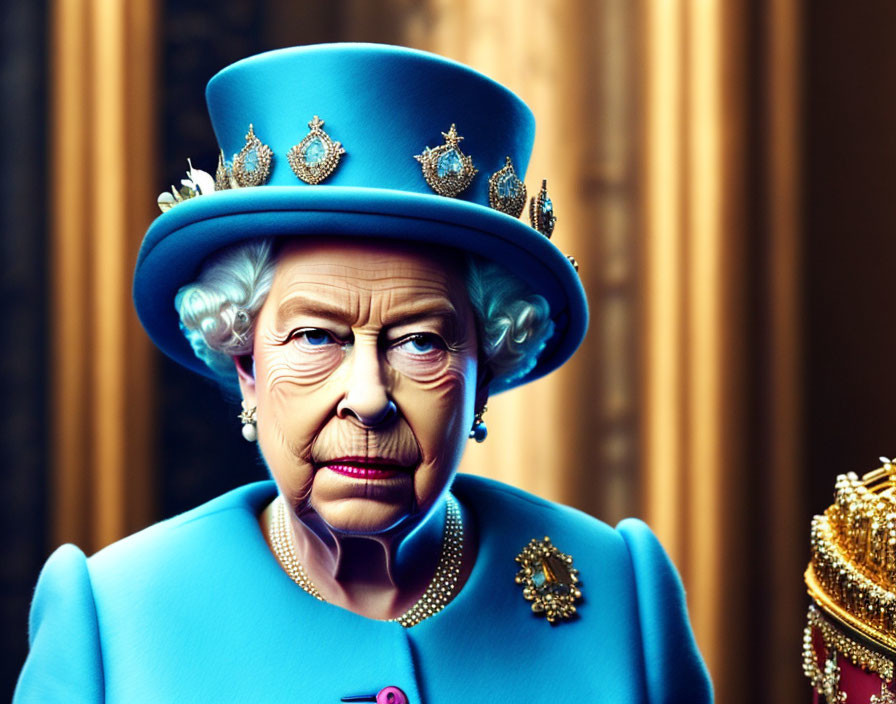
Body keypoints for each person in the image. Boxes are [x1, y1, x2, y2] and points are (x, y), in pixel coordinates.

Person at [15, 44, 711, 703]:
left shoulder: (621, 595)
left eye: (421, 344)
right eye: (317, 337)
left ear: (486, 373)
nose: (369, 399)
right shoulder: (113, 618)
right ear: (245, 364)